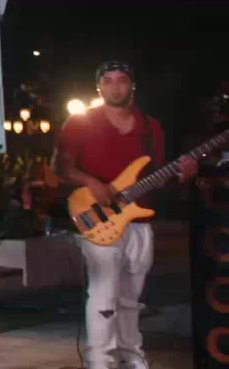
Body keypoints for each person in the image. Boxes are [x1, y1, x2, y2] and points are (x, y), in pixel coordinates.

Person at [54, 60, 197, 369]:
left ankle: (131, 355)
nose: (115, 86)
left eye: (121, 80)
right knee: (104, 293)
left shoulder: (151, 127)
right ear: (98, 87)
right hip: (97, 218)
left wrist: (181, 175)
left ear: (132, 85)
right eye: (107, 80)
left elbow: (157, 175)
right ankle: (99, 360)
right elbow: (60, 166)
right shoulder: (80, 122)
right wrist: (92, 182)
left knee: (131, 299)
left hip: (140, 221)